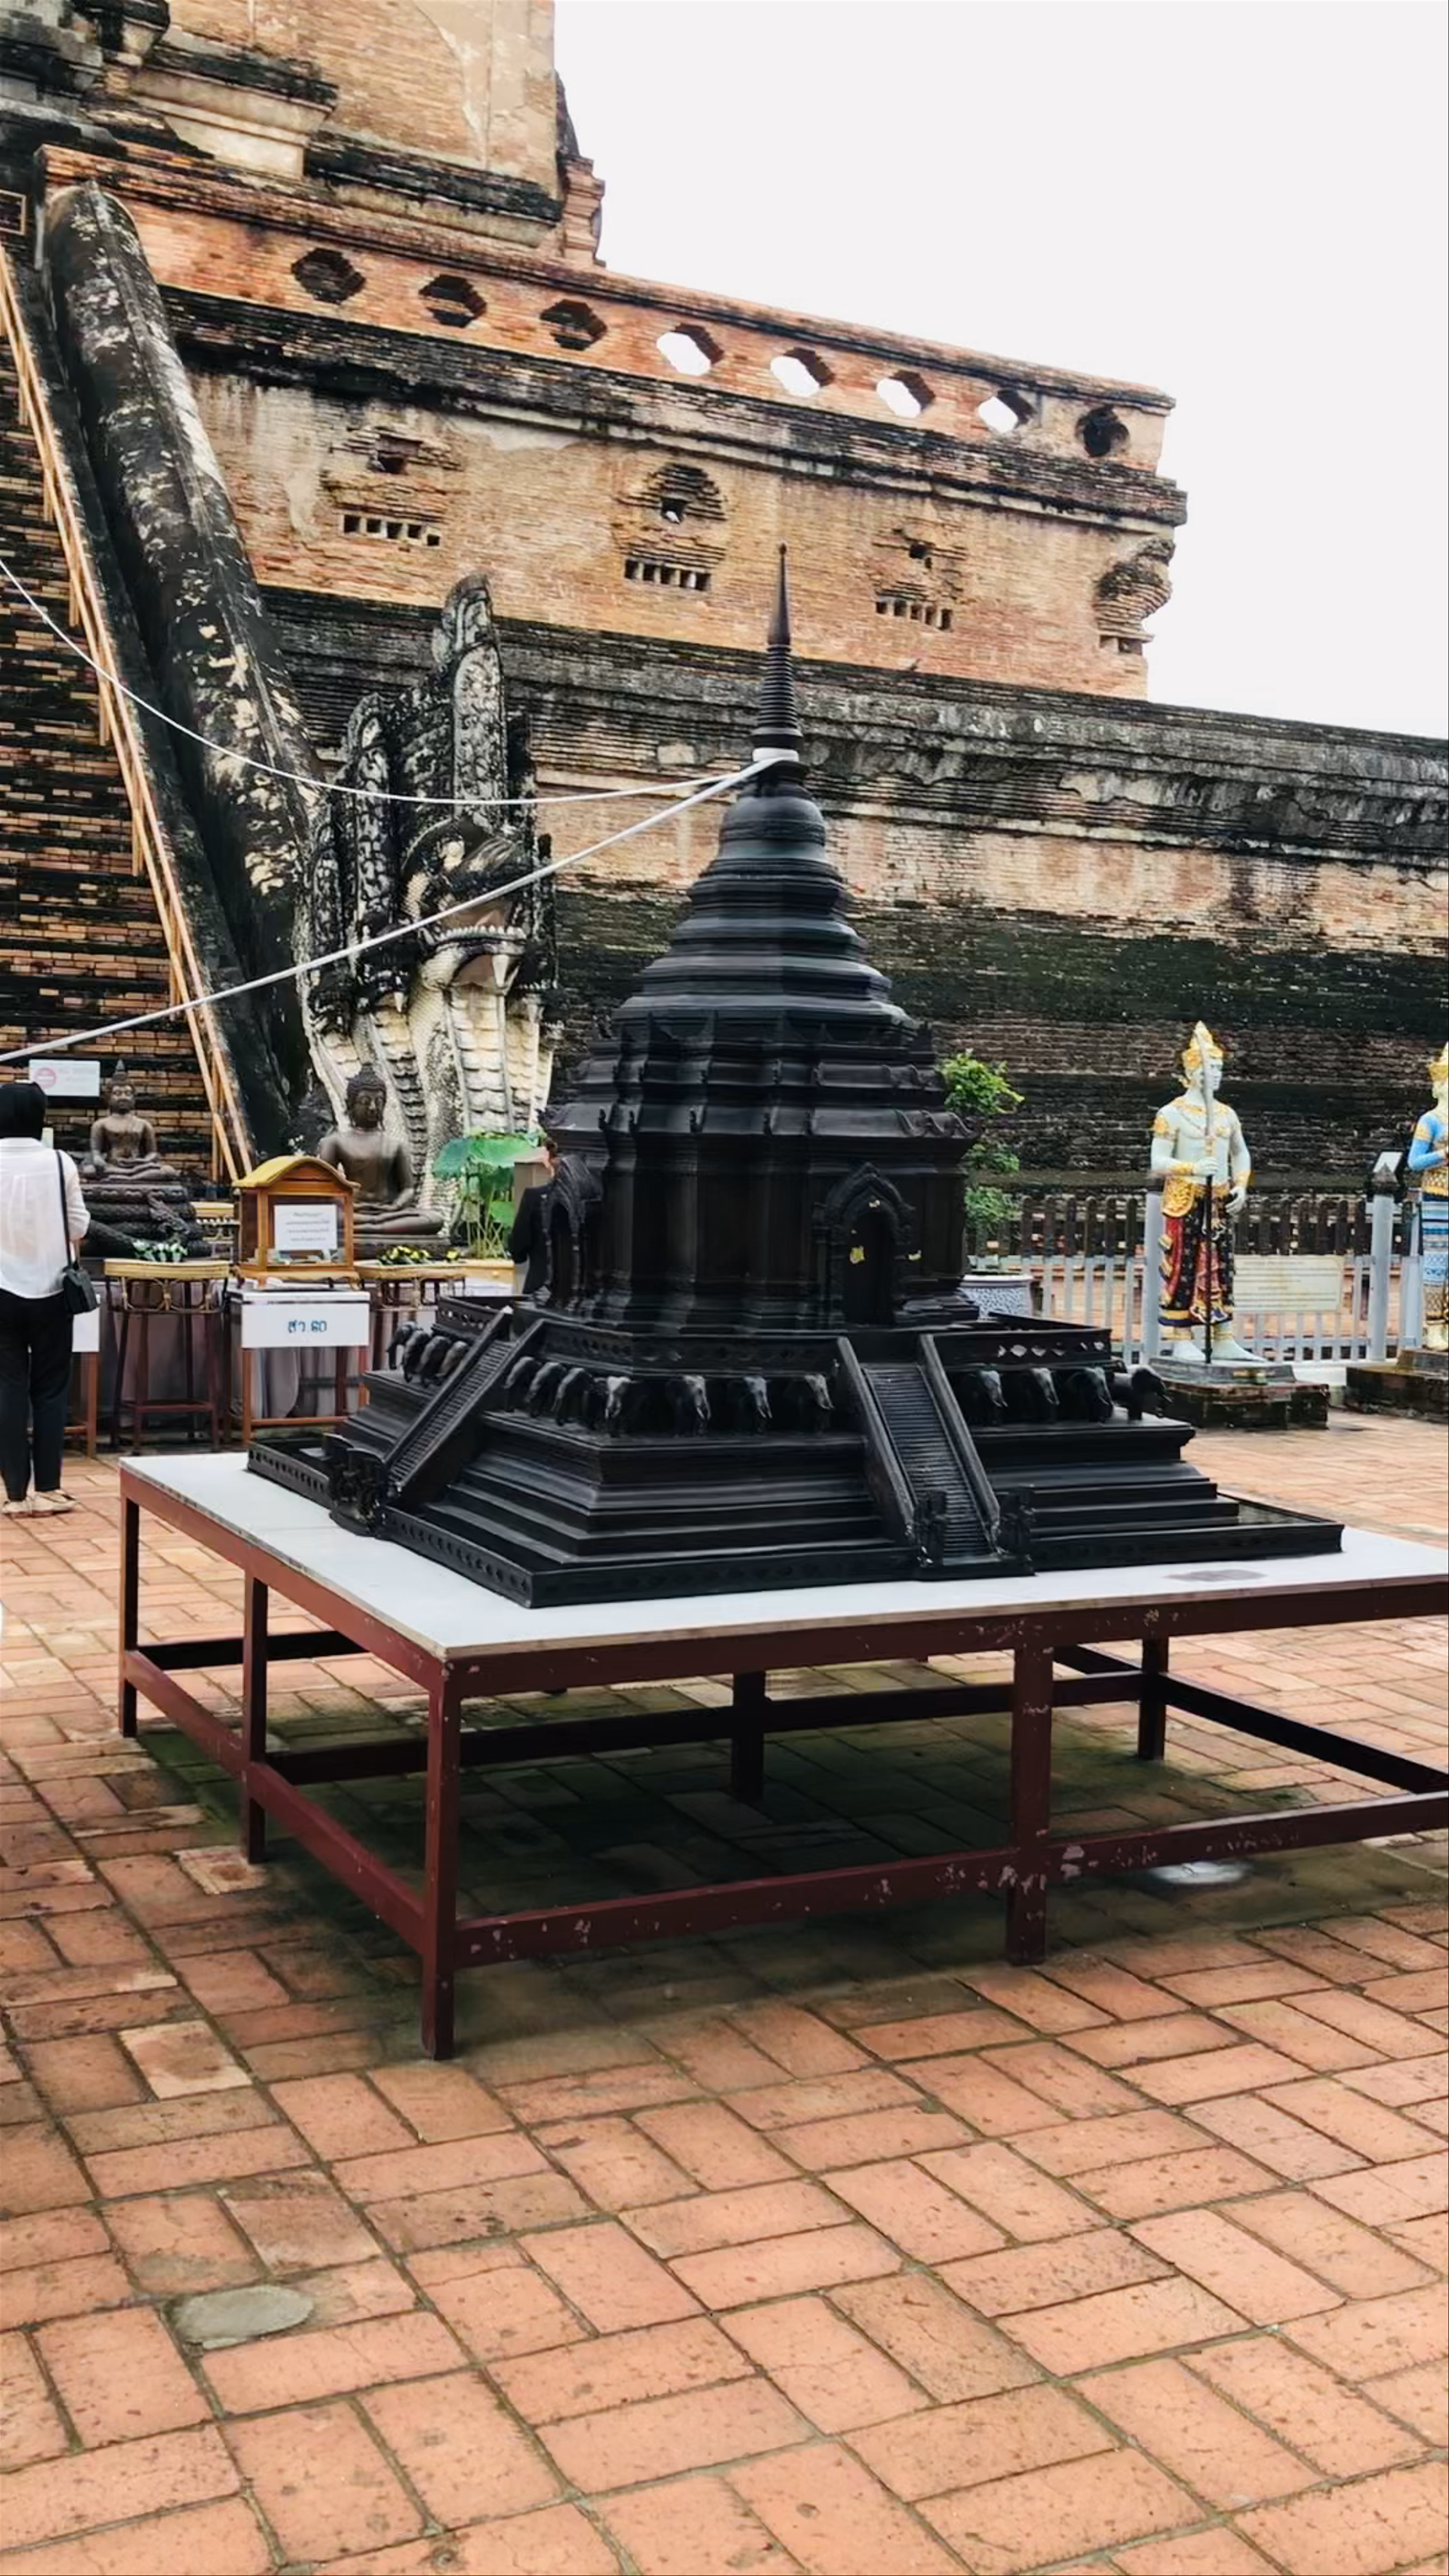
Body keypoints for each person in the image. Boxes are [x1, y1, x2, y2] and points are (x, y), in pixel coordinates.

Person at [0, 1082, 90, 1517]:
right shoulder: (59, 1162)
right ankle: (50, 1488)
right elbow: (78, 1225)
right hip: (54, 1291)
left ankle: (15, 1493)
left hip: (0, 1293)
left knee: (7, 1388)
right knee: (51, 1391)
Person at [509, 1139, 558, 1295]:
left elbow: (519, 1247)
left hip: (540, 1286)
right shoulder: (593, 1197)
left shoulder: (534, 1198)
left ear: (547, 1158)